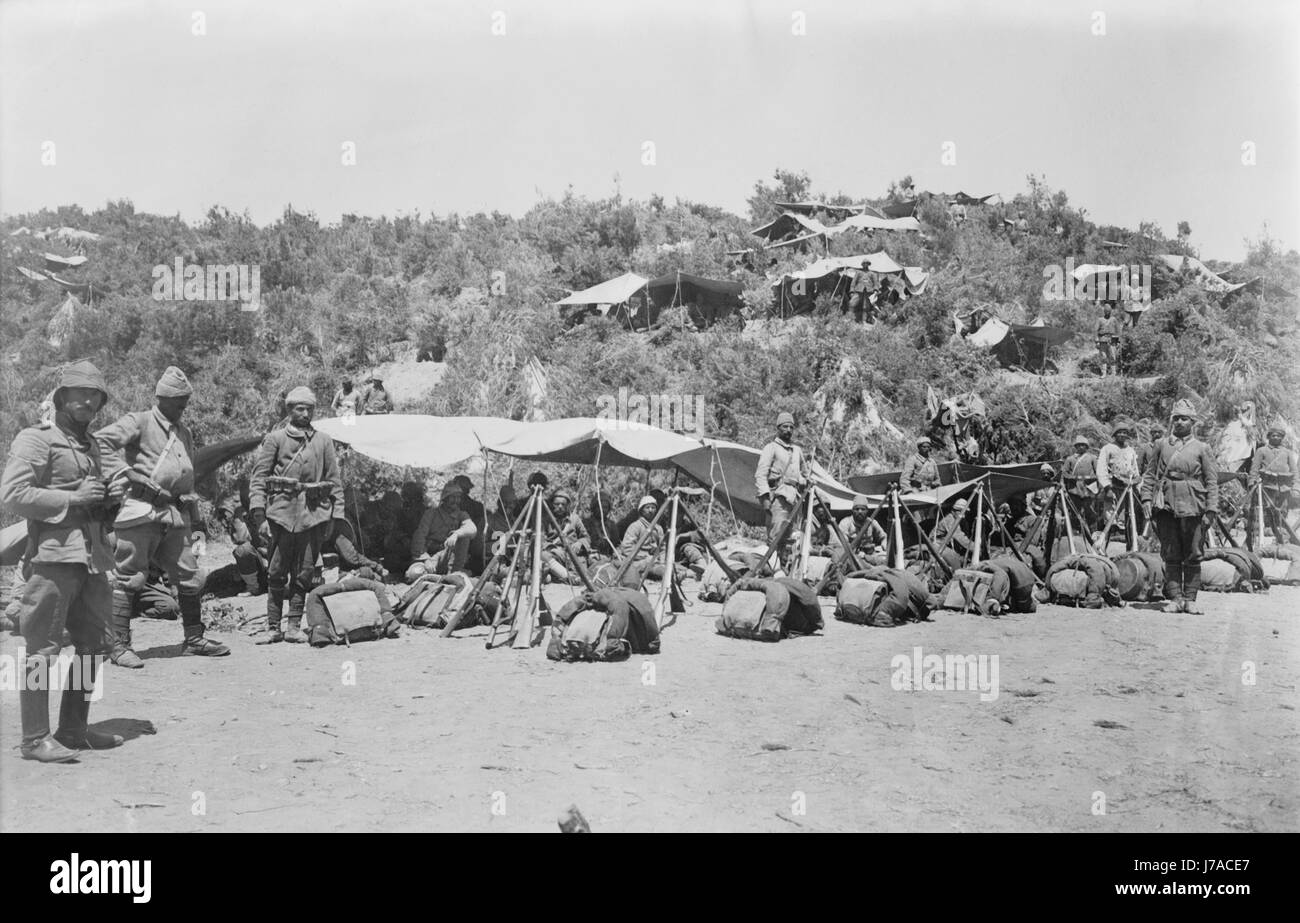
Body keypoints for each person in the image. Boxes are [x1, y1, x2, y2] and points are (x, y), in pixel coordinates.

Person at [1, 360, 125, 761]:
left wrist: (108, 505)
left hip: (93, 558)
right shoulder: (35, 440)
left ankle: (73, 729)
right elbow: (13, 495)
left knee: (94, 646)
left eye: (96, 396)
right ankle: (35, 739)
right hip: (52, 559)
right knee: (42, 652)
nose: (89, 401)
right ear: (60, 398)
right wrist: (73, 499)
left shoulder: (95, 446)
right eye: (80, 394)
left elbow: (94, 499)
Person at [96, 366, 228, 666]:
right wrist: (127, 473)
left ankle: (194, 638)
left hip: (175, 514)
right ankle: (119, 647)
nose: (184, 406)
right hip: (140, 512)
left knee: (190, 574)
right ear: (162, 398)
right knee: (129, 575)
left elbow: (188, 477)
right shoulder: (139, 422)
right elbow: (100, 443)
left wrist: (195, 519)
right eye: (178, 400)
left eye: (185, 400)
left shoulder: (184, 432)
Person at [249, 386, 346, 644]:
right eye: (299, 408)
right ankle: (273, 627)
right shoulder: (275, 439)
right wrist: (259, 517)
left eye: (309, 409)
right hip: (280, 514)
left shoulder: (323, 440)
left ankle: (293, 626)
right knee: (276, 572)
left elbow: (333, 480)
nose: (305, 413)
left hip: (313, 515)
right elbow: (258, 479)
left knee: (304, 573)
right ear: (289, 410)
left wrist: (335, 516)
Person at [1141, 399, 1219, 613]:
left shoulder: (1202, 448)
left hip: (1194, 503)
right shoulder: (1161, 445)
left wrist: (1211, 509)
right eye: (1176, 418)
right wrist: (1147, 499)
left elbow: (1212, 480)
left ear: (1192, 422)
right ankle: (1175, 599)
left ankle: (1190, 600)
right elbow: (1150, 474)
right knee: (1170, 551)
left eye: (1184, 418)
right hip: (1166, 504)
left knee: (1193, 551)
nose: (1179, 422)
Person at [755, 412, 811, 566]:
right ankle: (770, 568)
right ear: (778, 428)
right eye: (785, 426)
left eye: (791, 427)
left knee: (792, 538)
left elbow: (806, 475)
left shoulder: (797, 450)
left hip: (795, 499)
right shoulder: (771, 448)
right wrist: (765, 497)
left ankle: (786, 570)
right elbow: (760, 474)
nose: (788, 430)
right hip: (778, 498)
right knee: (775, 537)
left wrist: (803, 480)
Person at [409, 482, 477, 579]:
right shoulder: (431, 514)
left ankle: (454, 573)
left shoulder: (461, 514)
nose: (456, 500)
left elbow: (472, 529)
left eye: (458, 497)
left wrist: (457, 534)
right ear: (445, 498)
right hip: (429, 557)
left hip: (448, 557)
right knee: (414, 574)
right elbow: (419, 537)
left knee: (464, 536)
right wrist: (425, 560)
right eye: (452, 497)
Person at [1248, 421, 1297, 543]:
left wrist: (1296, 486)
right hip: (1267, 487)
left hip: (1284, 487)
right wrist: (1251, 483)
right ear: (1269, 437)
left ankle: (1280, 536)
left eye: (1279, 436)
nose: (1276, 438)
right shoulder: (1261, 451)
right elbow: (1254, 469)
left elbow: (1295, 471)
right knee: (1268, 510)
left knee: (1283, 511)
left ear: (1282, 438)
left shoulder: (1287, 452)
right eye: (1273, 435)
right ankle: (1269, 533)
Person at [1097, 420, 1141, 537]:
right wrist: (1107, 488)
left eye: (1125, 432)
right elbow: (1101, 469)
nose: (1122, 435)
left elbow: (1135, 470)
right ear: (1115, 434)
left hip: (1127, 488)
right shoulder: (1107, 448)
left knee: (1127, 516)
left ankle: (1126, 540)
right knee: (1111, 516)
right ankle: (1110, 541)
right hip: (1113, 486)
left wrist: (1136, 480)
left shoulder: (1130, 450)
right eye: (1119, 432)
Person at [617, 495, 664, 582]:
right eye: (647, 507)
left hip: (654, 561)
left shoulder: (658, 528)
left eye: (653, 507)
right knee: (659, 571)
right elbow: (627, 548)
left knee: (671, 567)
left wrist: (663, 559)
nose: (650, 510)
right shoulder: (635, 526)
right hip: (638, 561)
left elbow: (663, 548)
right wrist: (645, 557)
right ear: (641, 510)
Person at [831, 495, 887, 562]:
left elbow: (884, 536)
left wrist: (882, 547)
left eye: (863, 509)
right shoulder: (846, 523)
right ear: (852, 510)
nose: (860, 511)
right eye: (857, 509)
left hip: (871, 554)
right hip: (853, 556)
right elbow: (843, 543)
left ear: (867, 511)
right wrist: (856, 552)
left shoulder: (872, 522)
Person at [1062, 435, 1100, 532]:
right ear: (1076, 447)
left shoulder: (1092, 458)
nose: (1081, 447)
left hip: (1089, 489)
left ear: (1086, 447)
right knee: (1075, 512)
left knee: (1090, 513)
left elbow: (1098, 473)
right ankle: (1075, 532)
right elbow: (1065, 473)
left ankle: (1093, 533)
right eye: (1079, 445)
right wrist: (1073, 478)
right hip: (1075, 489)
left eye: (1083, 445)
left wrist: (1091, 479)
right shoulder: (1070, 459)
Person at [1094, 305, 1122, 377]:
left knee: (1113, 357)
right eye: (1106, 311)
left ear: (1110, 311)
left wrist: (1118, 341)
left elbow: (1118, 330)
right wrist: (1097, 341)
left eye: (1109, 311)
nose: (1107, 313)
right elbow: (1095, 331)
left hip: (1112, 340)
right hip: (1102, 340)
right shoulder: (1100, 320)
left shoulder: (1114, 319)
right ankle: (1104, 373)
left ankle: (1113, 373)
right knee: (1103, 357)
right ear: (1104, 311)